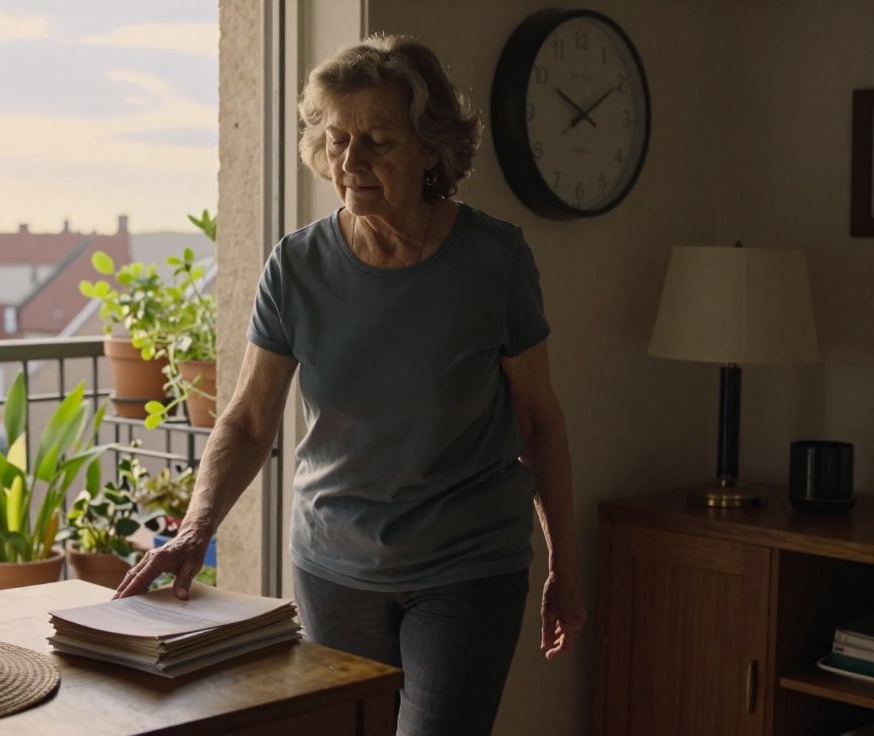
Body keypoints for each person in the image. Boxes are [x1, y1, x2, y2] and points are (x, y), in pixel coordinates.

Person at [115, 34, 587, 735]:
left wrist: (564, 567)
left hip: (466, 567)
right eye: (336, 139)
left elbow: (539, 421)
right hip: (332, 567)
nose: (350, 161)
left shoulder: (494, 262)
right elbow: (247, 420)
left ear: (431, 149)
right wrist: (193, 530)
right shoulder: (298, 266)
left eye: (377, 141)